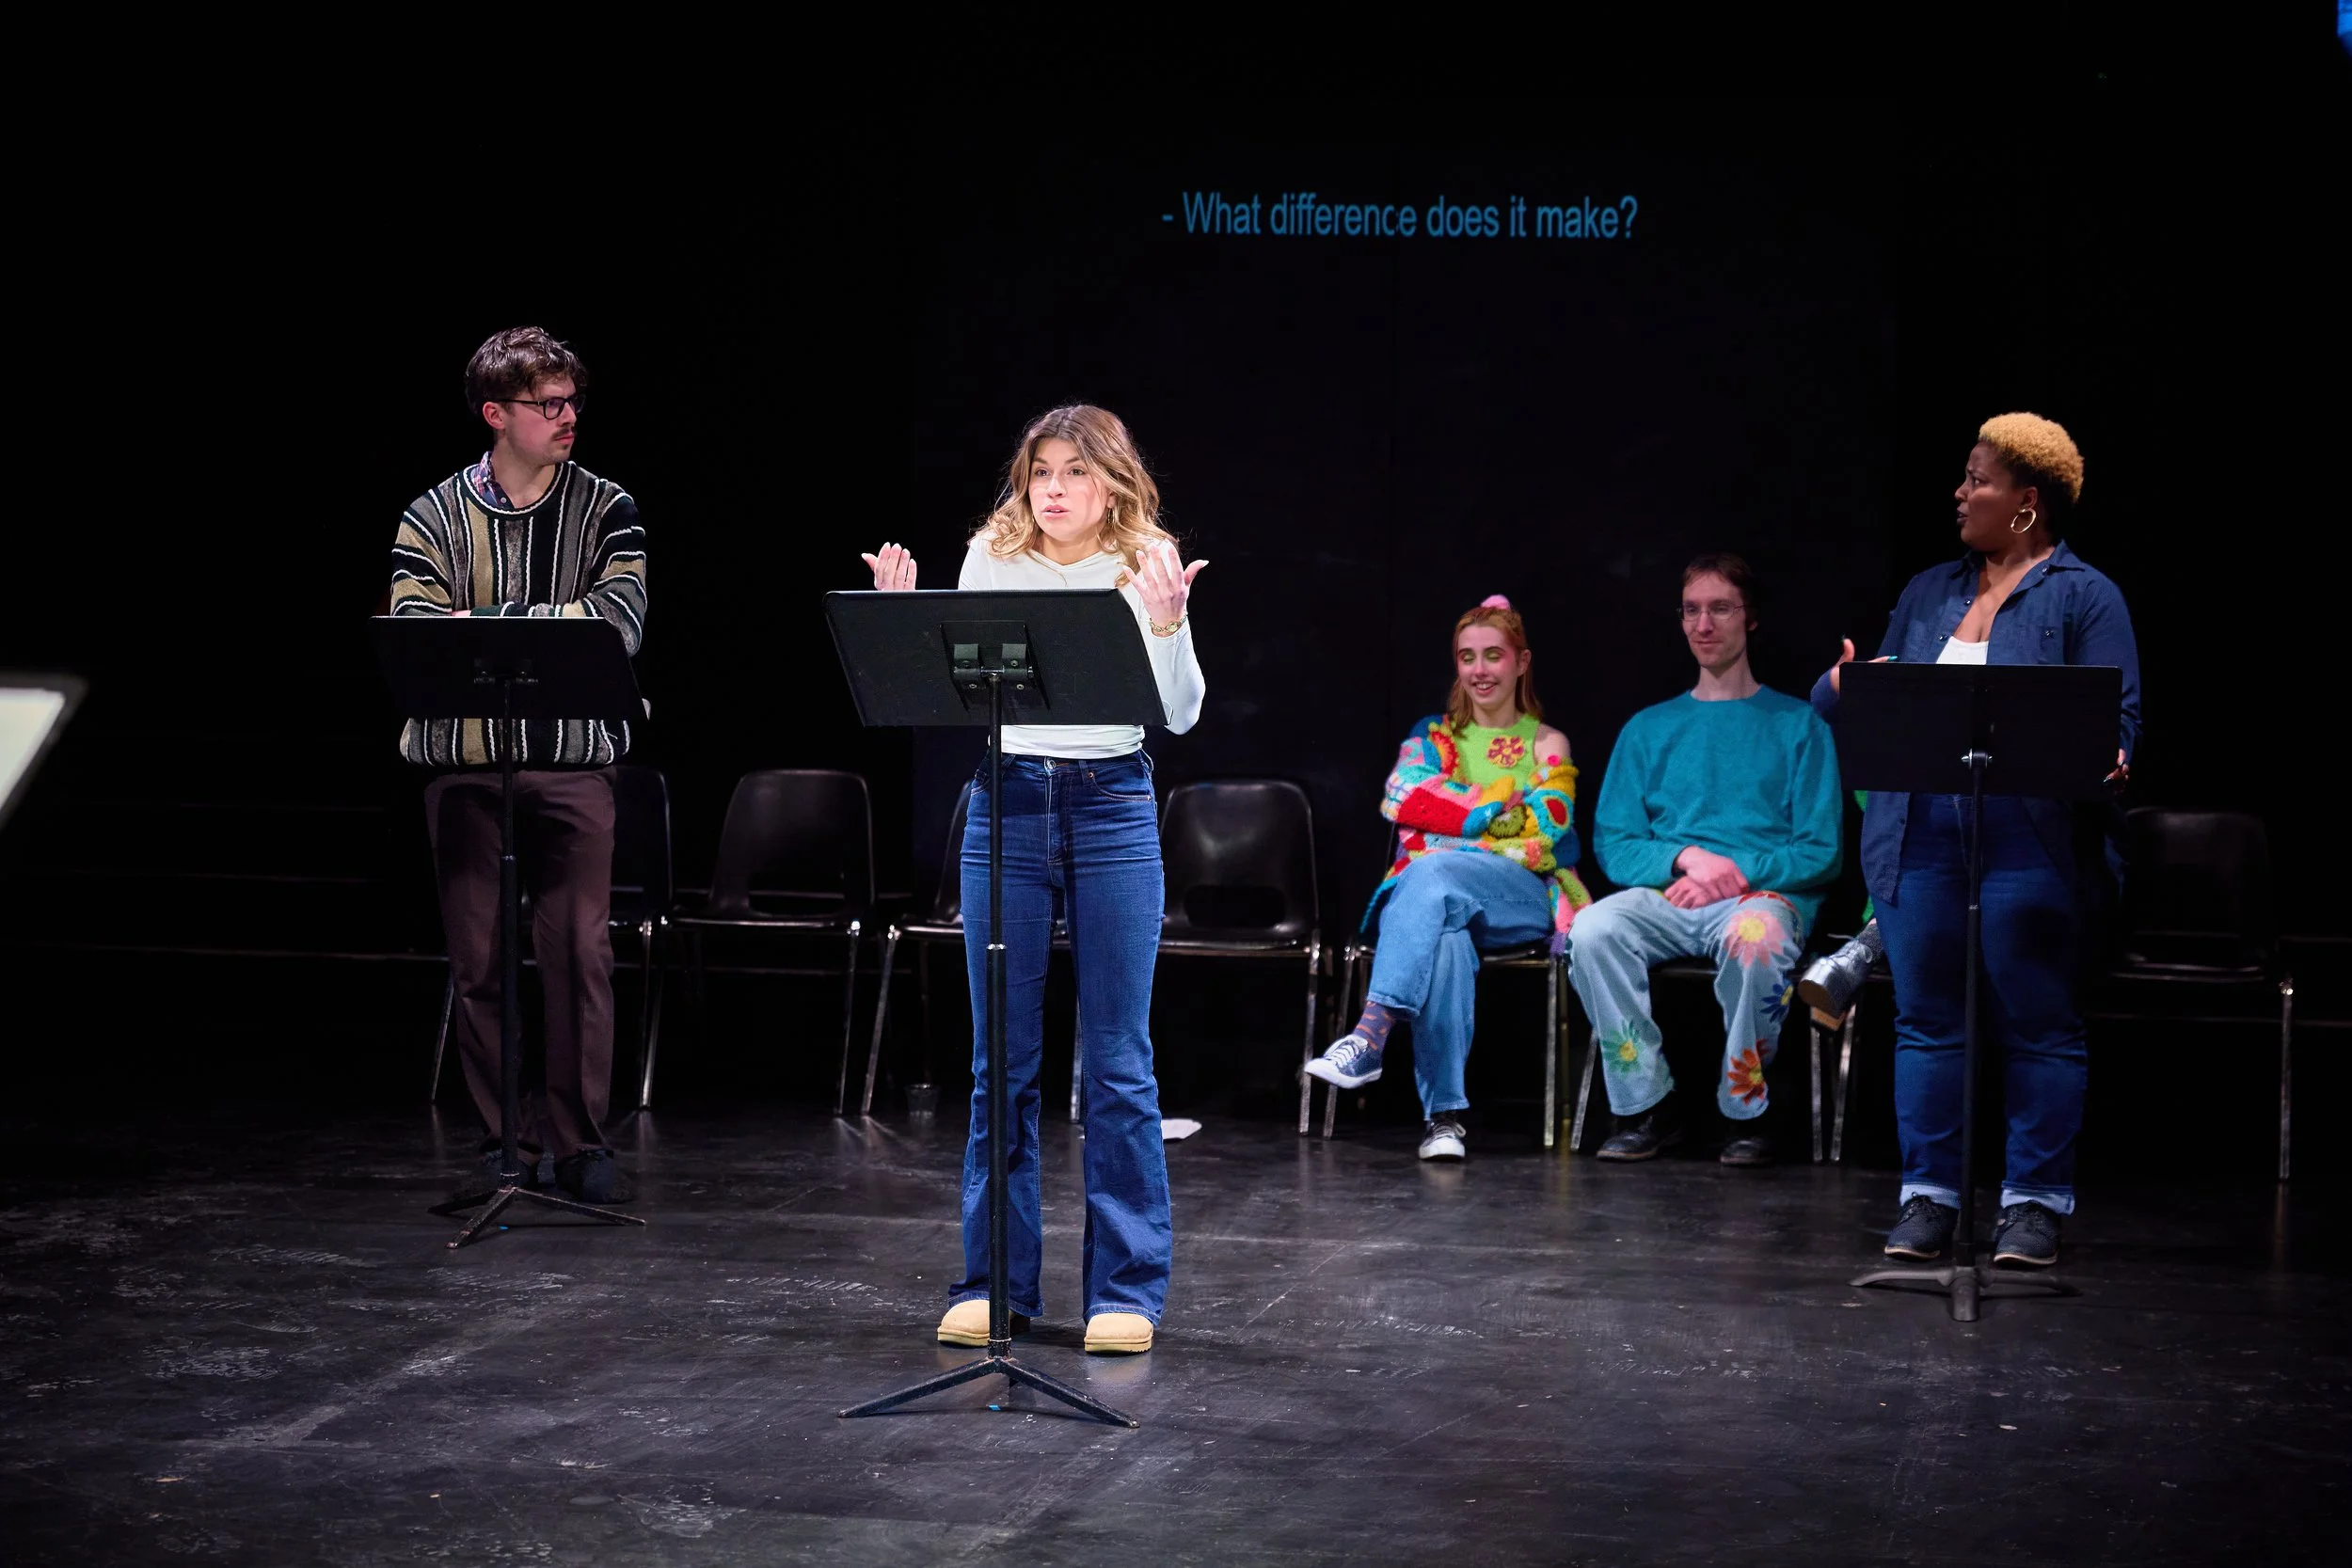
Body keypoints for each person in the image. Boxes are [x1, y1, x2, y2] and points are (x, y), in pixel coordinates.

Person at [860, 404, 1205, 1355]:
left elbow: (1178, 711)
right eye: (1039, 471)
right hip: (1007, 804)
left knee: (1119, 1061)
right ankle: (993, 1282)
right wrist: (905, 627)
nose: (1052, 488)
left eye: (1073, 473)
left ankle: (1124, 1289)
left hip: (1111, 806)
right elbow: (960, 691)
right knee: (998, 1062)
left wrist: (1169, 622)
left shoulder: (1146, 559)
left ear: (1112, 483)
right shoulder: (991, 555)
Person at [1813, 412, 2138, 1270]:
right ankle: (1931, 1198)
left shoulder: (2085, 595)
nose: (1960, 492)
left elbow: (2119, 718)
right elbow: (1863, 698)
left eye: (1978, 479)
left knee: (2037, 1023)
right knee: (1926, 1023)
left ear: (2027, 503)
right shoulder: (1928, 590)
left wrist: (2112, 755)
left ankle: (2032, 1204)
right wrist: (1842, 683)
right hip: (1918, 836)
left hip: (2030, 843)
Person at [389, 326, 648, 1205]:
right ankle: (507, 1142)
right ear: (498, 414)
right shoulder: (432, 514)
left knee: (578, 950)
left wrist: (490, 620)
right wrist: (540, 621)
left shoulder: (608, 507)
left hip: (573, 766)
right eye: (549, 403)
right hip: (466, 769)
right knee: (480, 958)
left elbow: (616, 622)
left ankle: (578, 1143)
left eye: (573, 399)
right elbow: (414, 627)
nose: (569, 414)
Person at [1570, 553, 1842, 1165]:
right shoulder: (1649, 727)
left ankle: (1748, 1108)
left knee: (1755, 933)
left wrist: (1734, 873)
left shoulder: (1799, 724)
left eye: (1720, 607)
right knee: (1591, 929)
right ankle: (1645, 1105)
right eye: (1692, 610)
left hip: (1760, 899)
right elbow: (1616, 842)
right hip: (1677, 895)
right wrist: (1688, 858)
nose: (1704, 623)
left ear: (1750, 619)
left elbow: (1820, 850)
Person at [1303, 596, 1592, 1161]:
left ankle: (1370, 1035)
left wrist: (1450, 824)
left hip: (1519, 897)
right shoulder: (1431, 736)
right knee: (1446, 936)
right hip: (1438, 898)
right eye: (1467, 657)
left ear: (1521, 661)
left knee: (1432, 869)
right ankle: (1445, 1121)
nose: (1480, 669)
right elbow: (1402, 799)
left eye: (1493, 655)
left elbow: (1544, 834)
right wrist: (1497, 808)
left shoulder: (1547, 743)